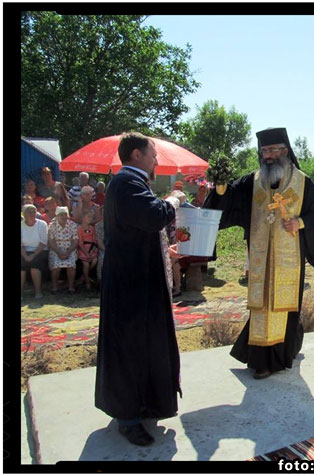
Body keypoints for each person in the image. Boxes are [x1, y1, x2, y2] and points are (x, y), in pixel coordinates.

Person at [203, 127, 314, 379]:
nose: (268, 156)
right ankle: (265, 357)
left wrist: (299, 223)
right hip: (261, 256)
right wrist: (219, 187)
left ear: (285, 151)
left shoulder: (302, 182)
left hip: (288, 257)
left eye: (272, 150)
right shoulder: (253, 181)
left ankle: (276, 357)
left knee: (283, 305)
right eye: (264, 151)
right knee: (262, 305)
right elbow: (229, 199)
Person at [95, 131, 187, 447]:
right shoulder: (126, 183)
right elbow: (153, 216)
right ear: (136, 155)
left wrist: (166, 251)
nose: (156, 160)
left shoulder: (132, 184)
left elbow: (140, 232)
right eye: (152, 154)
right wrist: (174, 200)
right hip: (129, 286)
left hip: (138, 281)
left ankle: (145, 404)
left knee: (144, 346)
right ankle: (128, 418)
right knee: (130, 350)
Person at [48, 206, 78, 294]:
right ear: (57, 216)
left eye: (65, 214)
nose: (64, 217)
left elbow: (75, 240)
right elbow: (51, 241)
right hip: (56, 248)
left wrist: (68, 252)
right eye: (61, 215)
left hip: (70, 248)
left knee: (71, 265)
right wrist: (59, 252)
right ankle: (54, 287)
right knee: (56, 266)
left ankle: (71, 287)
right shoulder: (52, 225)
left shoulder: (72, 224)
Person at [21, 204, 49, 300]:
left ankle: (38, 292)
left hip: (40, 251)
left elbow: (43, 242)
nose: (32, 213)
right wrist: (25, 255)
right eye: (29, 212)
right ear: (24, 214)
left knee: (35, 267)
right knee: (21, 268)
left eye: (34, 211)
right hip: (24, 251)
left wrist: (32, 255)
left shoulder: (42, 224)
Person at [77, 210, 99, 291]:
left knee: (94, 260)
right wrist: (86, 253)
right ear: (83, 218)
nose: (90, 219)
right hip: (83, 249)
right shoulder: (79, 228)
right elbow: (80, 242)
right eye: (88, 217)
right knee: (85, 264)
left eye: (91, 217)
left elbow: (94, 241)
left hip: (92, 248)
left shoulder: (92, 228)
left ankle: (83, 276)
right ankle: (87, 282)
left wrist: (92, 251)